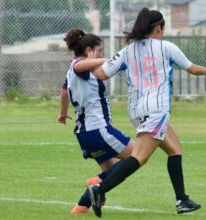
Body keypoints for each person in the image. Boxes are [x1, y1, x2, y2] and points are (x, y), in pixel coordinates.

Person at [87, 8, 206, 217]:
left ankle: (182, 200)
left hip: (136, 111)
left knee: (175, 149)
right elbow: (191, 68)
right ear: (158, 28)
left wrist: (80, 64)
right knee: (138, 158)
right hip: (156, 110)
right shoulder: (166, 47)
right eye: (162, 29)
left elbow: (101, 73)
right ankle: (99, 189)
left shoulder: (127, 51)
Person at [58, 28, 135, 214]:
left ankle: (81, 206)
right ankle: (96, 183)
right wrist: (104, 60)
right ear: (88, 51)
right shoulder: (78, 67)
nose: (102, 53)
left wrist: (62, 113)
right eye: (99, 50)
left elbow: (63, 91)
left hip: (86, 134)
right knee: (137, 155)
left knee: (115, 171)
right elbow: (79, 67)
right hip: (98, 130)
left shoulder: (77, 70)